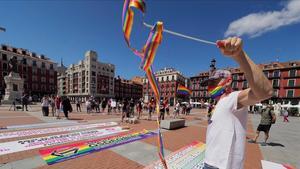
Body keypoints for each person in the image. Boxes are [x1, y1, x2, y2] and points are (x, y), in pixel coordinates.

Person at [203, 37, 273, 169]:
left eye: (213, 82)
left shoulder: (233, 98)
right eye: (208, 84)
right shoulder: (219, 103)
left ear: (228, 81)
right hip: (210, 161)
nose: (209, 87)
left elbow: (266, 92)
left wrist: (239, 55)